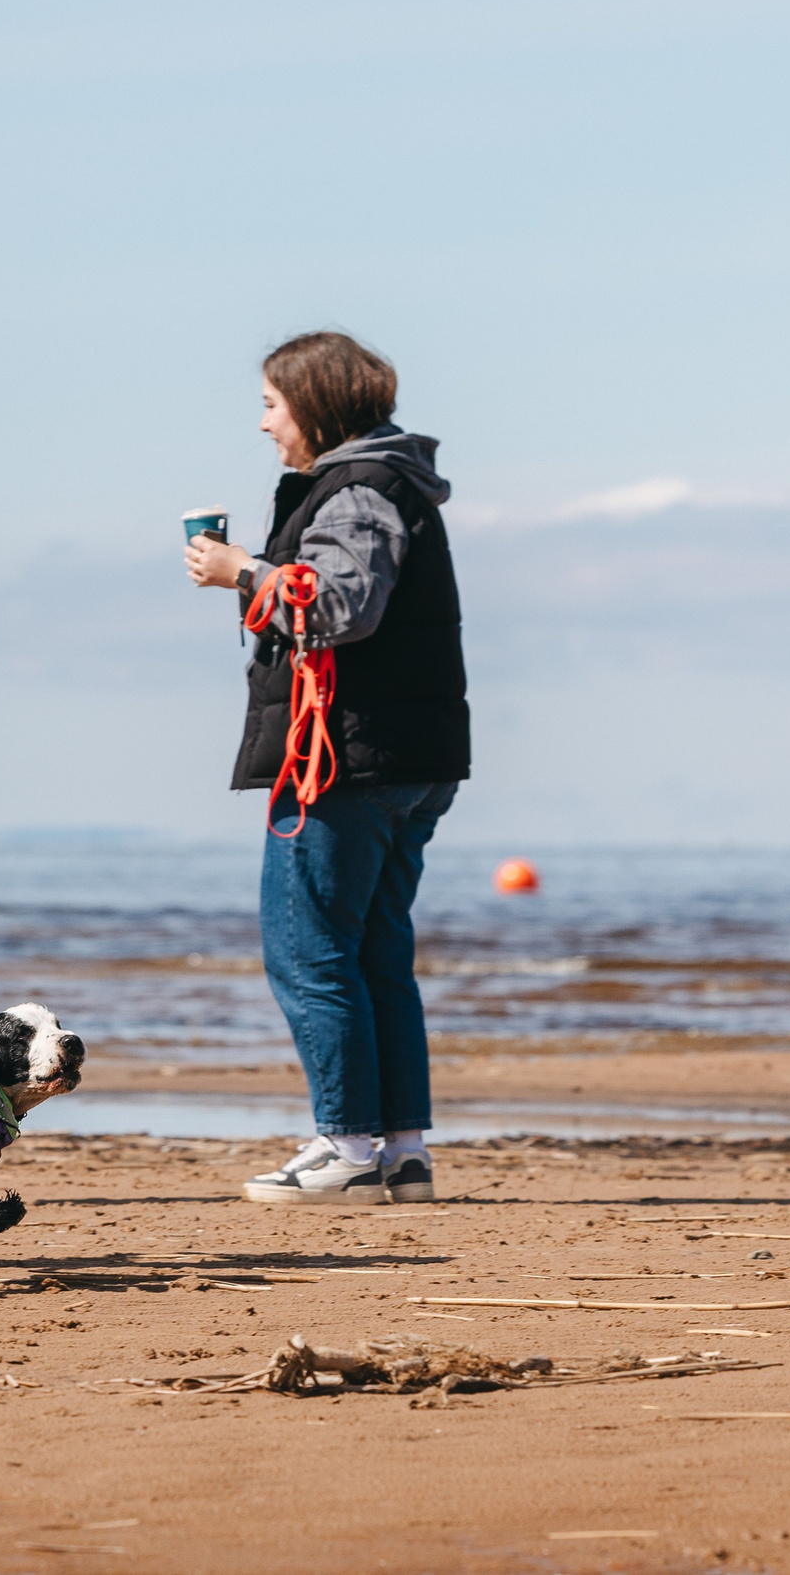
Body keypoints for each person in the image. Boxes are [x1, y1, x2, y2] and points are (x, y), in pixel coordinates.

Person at [183, 331, 468, 1204]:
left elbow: (341, 605)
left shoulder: (359, 491)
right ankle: (403, 1152)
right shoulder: (389, 484)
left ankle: (346, 1147)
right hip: (407, 754)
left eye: (273, 403)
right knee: (377, 954)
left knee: (310, 954)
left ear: (316, 405)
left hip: (348, 759)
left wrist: (244, 572)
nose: (264, 423)